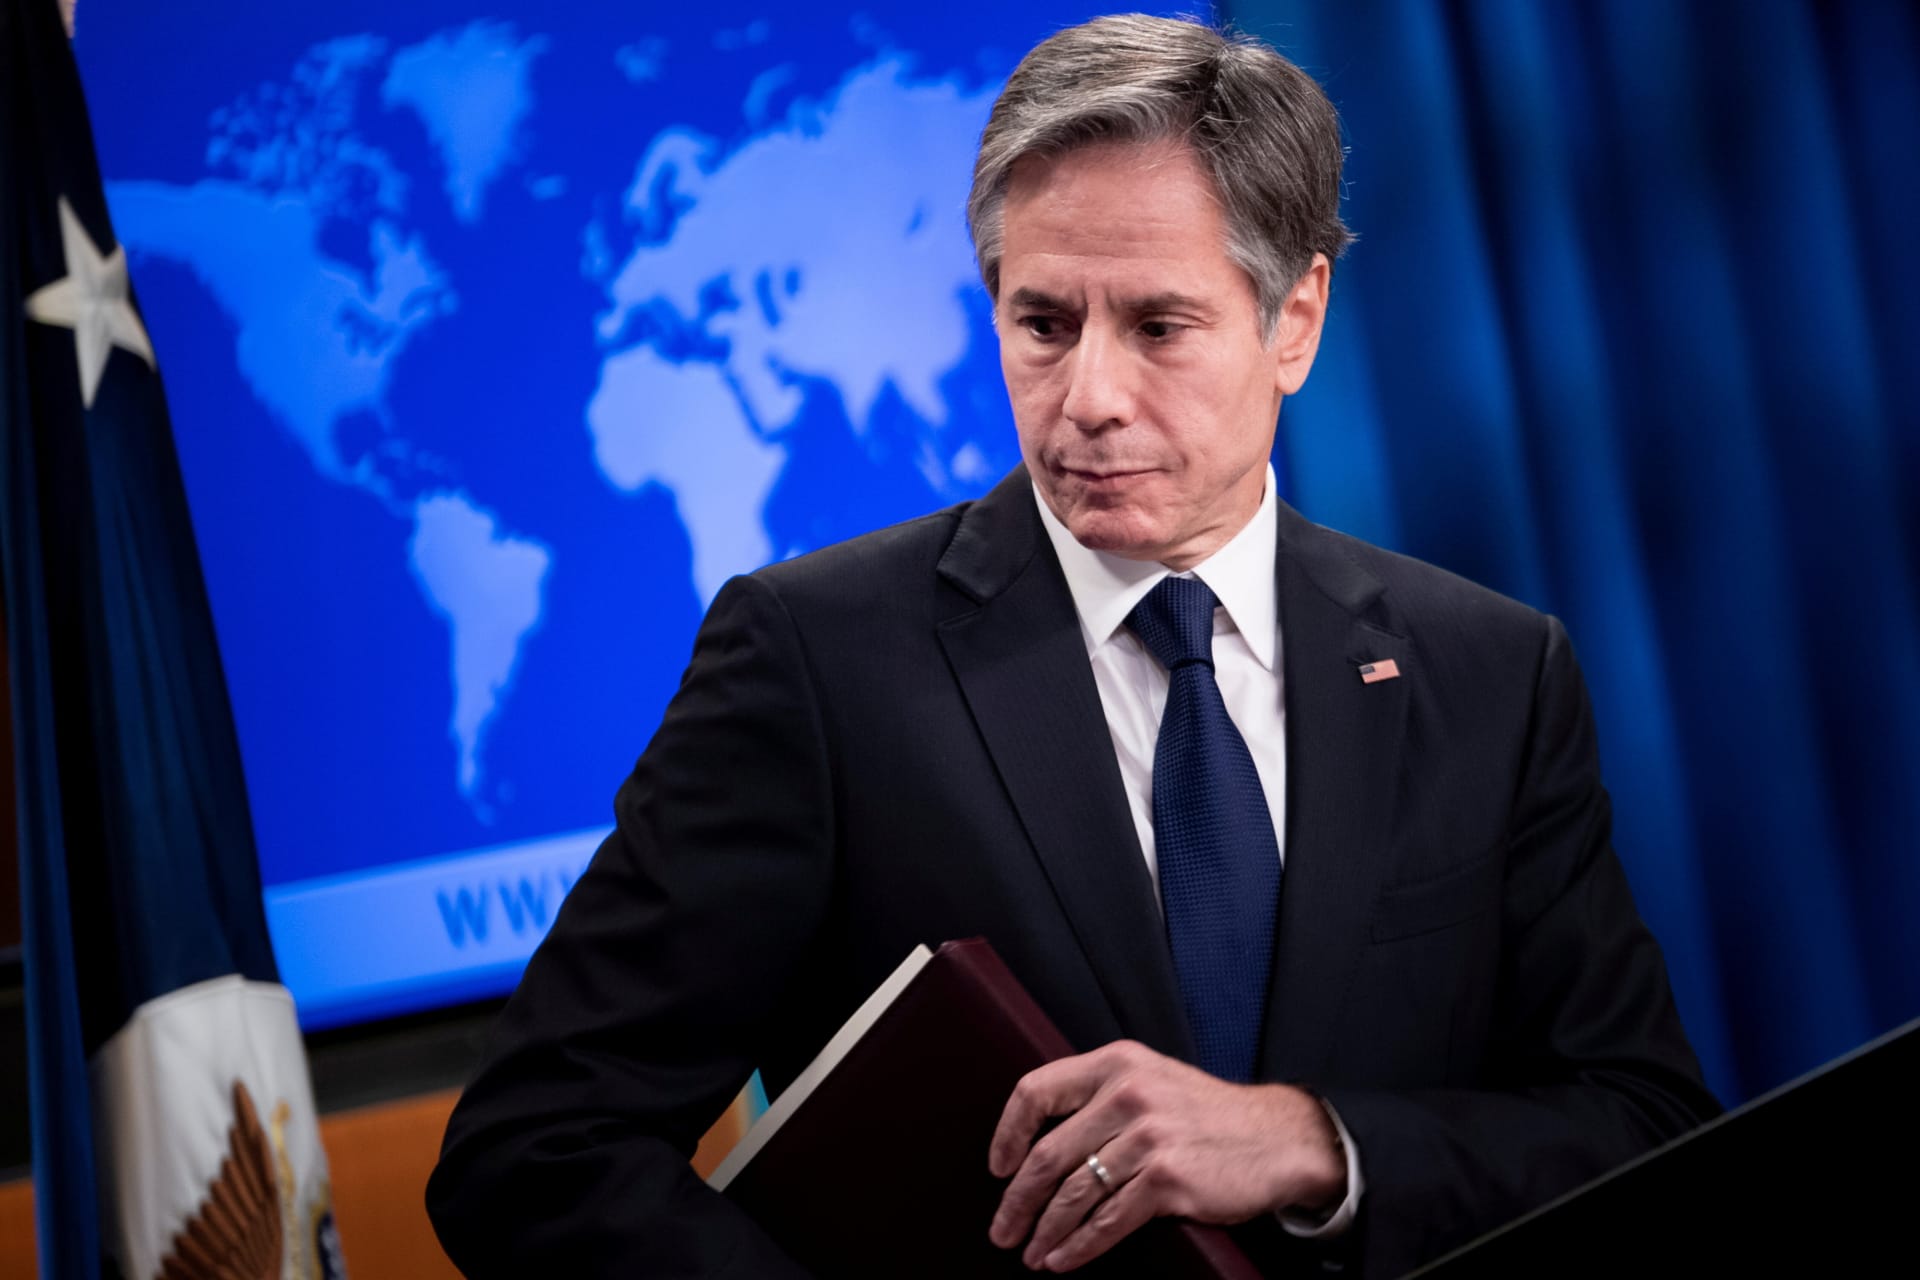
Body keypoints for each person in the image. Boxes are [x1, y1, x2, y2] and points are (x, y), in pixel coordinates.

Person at [426, 15, 1718, 1278]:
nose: (1089, 399)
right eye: (1044, 325)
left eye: (1158, 327)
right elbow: (532, 1154)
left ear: (1296, 321)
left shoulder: (1492, 674)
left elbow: (1641, 1125)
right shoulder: (816, 663)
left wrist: (1312, 1142)